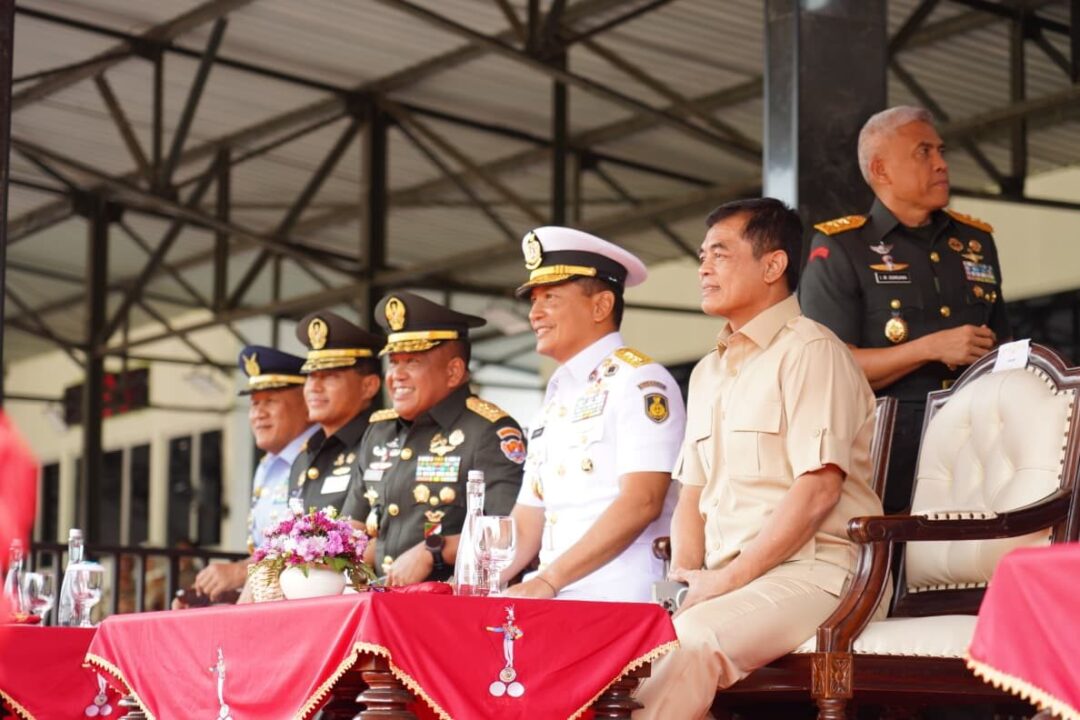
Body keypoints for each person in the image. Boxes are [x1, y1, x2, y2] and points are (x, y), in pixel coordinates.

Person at [632, 198, 885, 719]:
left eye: (720, 254)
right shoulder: (707, 372)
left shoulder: (811, 351)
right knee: (631, 645)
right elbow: (691, 498)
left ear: (773, 265)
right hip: (731, 582)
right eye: (702, 255)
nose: (703, 267)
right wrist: (683, 578)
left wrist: (722, 584)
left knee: (688, 644)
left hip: (820, 575)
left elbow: (817, 492)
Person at [798, 105, 1010, 513]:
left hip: (982, 440)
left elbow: (1007, 344)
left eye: (941, 151)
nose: (941, 163)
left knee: (980, 567)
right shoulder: (843, 247)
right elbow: (830, 370)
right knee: (895, 571)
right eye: (923, 152)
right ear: (881, 170)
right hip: (892, 447)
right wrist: (930, 348)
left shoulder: (975, 241)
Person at [500, 226, 686, 602]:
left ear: (600, 306)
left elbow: (643, 501)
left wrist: (548, 581)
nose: (535, 313)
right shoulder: (555, 396)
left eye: (550, 297)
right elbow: (527, 518)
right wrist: (473, 581)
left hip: (620, 597)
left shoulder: (640, 382)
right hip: (555, 594)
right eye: (533, 300)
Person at [341, 291, 524, 585]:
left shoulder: (489, 432)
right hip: (381, 605)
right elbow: (351, 528)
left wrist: (435, 551)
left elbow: (508, 537)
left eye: (411, 361)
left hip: (451, 609)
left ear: (453, 371)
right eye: (393, 362)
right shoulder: (379, 431)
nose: (396, 375)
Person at [187, 346, 317, 603]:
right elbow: (263, 549)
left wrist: (239, 572)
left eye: (271, 401)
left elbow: (317, 546)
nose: (259, 413)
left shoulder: (323, 456)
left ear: (306, 404)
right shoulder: (267, 466)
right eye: (254, 403)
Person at [289, 311, 384, 514]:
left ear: (369, 386)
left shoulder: (383, 446)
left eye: (330, 376)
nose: (315, 387)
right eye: (311, 376)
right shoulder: (306, 455)